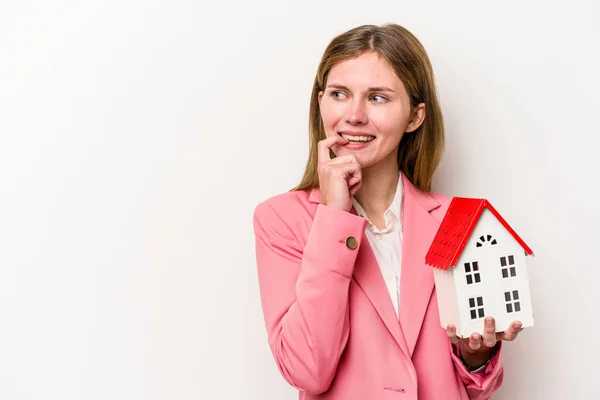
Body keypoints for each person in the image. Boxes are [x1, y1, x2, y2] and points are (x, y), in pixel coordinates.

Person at [252, 23, 524, 400]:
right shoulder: (281, 219)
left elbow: (475, 388)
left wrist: (475, 354)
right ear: (320, 103)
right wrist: (334, 219)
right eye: (339, 94)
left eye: (377, 98)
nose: (355, 115)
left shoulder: (455, 222)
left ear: (415, 117)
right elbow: (306, 370)